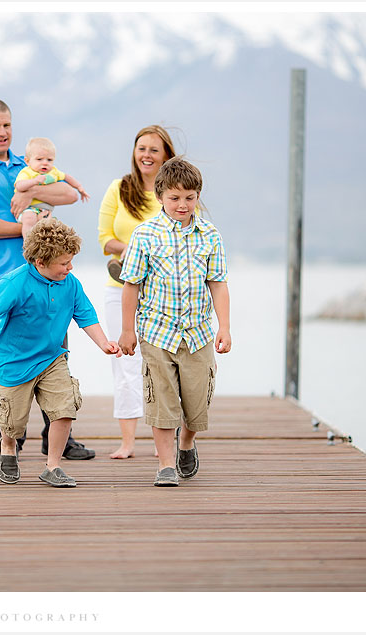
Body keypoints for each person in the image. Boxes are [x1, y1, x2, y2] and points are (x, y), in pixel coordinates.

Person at [0, 97, 96, 460]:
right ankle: (9, 442)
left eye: (7, 125)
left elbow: (67, 192)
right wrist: (24, 229)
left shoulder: (27, 163)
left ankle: (58, 437)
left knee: (54, 353)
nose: (3, 132)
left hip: (44, 275)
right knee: (8, 359)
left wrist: (28, 190)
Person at [0, 218, 121, 487]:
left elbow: (86, 316)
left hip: (52, 357)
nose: (70, 268)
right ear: (40, 262)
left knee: (65, 407)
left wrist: (103, 343)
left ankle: (53, 466)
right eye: (64, 263)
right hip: (14, 363)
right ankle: (8, 447)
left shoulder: (70, 283)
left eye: (71, 261)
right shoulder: (15, 282)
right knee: (12, 422)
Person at [118, 157, 232, 486]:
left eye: (189, 197)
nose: (182, 205)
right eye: (174, 198)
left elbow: (218, 284)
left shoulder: (210, 235)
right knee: (162, 399)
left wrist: (223, 326)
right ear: (160, 197)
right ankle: (166, 465)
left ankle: (187, 443)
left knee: (197, 402)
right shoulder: (145, 235)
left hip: (198, 333)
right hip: (157, 332)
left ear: (198, 196)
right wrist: (128, 331)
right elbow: (131, 286)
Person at [96, 125, 176, 458]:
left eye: (153, 150)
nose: (146, 155)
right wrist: (134, 248)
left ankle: (164, 442)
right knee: (124, 361)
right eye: (141, 148)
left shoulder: (176, 193)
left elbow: (186, 235)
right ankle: (128, 442)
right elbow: (104, 239)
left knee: (162, 364)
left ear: (166, 155)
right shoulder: (119, 188)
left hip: (164, 292)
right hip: (121, 287)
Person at [14, 137, 89, 238]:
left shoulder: (53, 172)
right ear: (28, 161)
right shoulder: (27, 172)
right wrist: (34, 181)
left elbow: (66, 177)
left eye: (49, 160)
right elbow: (19, 186)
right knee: (29, 219)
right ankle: (28, 243)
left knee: (51, 228)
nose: (45, 163)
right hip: (29, 209)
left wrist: (79, 187)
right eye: (39, 159)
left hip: (45, 211)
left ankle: (43, 248)